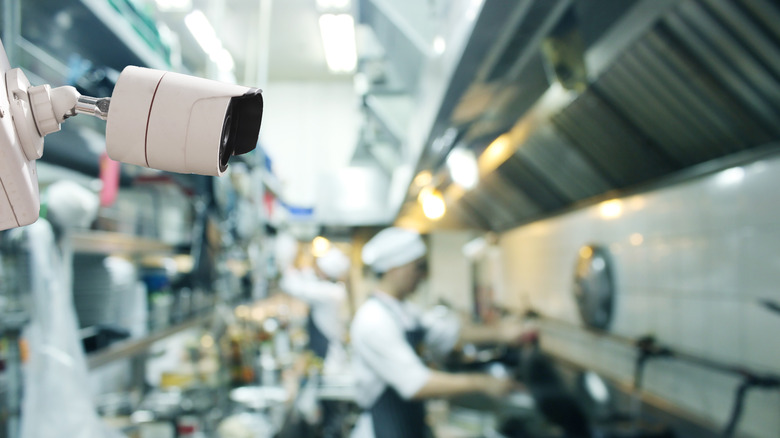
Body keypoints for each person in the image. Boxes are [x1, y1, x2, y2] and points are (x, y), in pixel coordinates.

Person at [350, 227, 533, 438]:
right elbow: (416, 384)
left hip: (408, 423)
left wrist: (502, 334)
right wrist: (482, 383)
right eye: (418, 267)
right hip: (384, 429)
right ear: (395, 268)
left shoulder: (403, 310)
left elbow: (447, 333)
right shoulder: (374, 320)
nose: (423, 275)